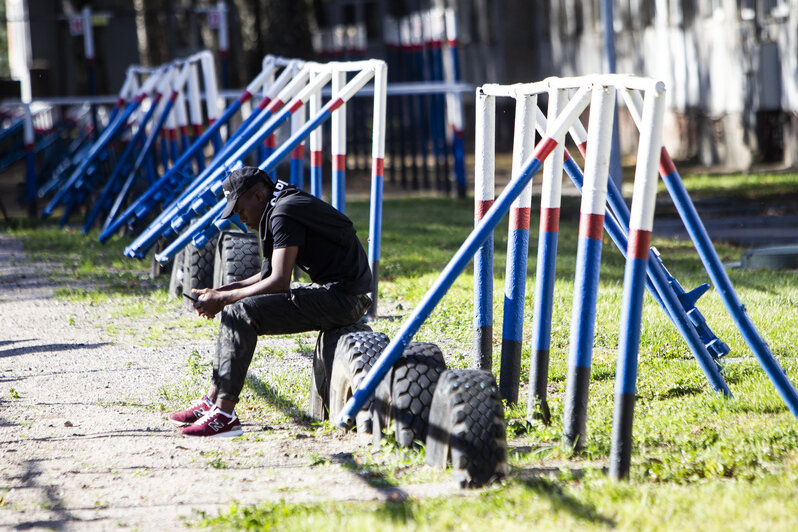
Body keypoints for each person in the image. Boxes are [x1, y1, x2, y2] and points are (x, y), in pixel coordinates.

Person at [168, 166, 372, 437]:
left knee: (242, 312)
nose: (241, 218)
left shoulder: (284, 212)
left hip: (346, 299)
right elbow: (266, 274)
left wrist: (225, 298)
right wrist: (218, 292)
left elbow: (278, 282)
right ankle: (213, 400)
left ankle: (225, 415)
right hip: (340, 293)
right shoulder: (281, 204)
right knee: (235, 307)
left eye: (241, 209)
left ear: (259, 195)